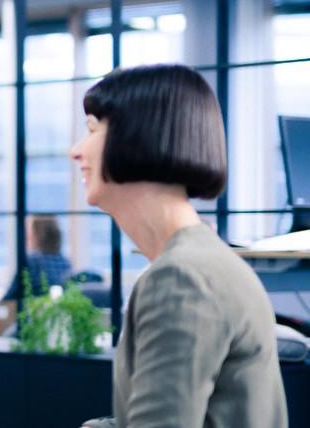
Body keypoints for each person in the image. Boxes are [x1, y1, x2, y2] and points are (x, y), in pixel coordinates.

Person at [72, 65, 286, 427]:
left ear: (139, 137)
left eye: (92, 129)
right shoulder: (195, 262)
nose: (76, 151)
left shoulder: (182, 277)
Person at [1, 215, 72, 301]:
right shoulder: (65, 262)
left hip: (33, 312)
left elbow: (9, 297)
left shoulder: (31, 262)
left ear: (36, 234)